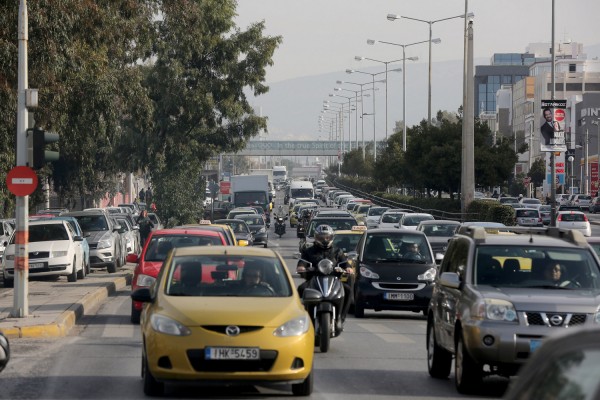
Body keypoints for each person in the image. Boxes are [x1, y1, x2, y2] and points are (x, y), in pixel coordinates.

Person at [296, 225, 353, 331]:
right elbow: (302, 262)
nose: (325, 240)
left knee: (348, 290)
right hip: (314, 280)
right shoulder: (309, 251)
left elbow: (345, 263)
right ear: (316, 238)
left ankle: (341, 318)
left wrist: (348, 268)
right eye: (321, 238)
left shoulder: (337, 251)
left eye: (327, 237)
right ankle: (301, 317)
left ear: (331, 238)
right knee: (300, 289)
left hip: (334, 280)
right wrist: (302, 267)